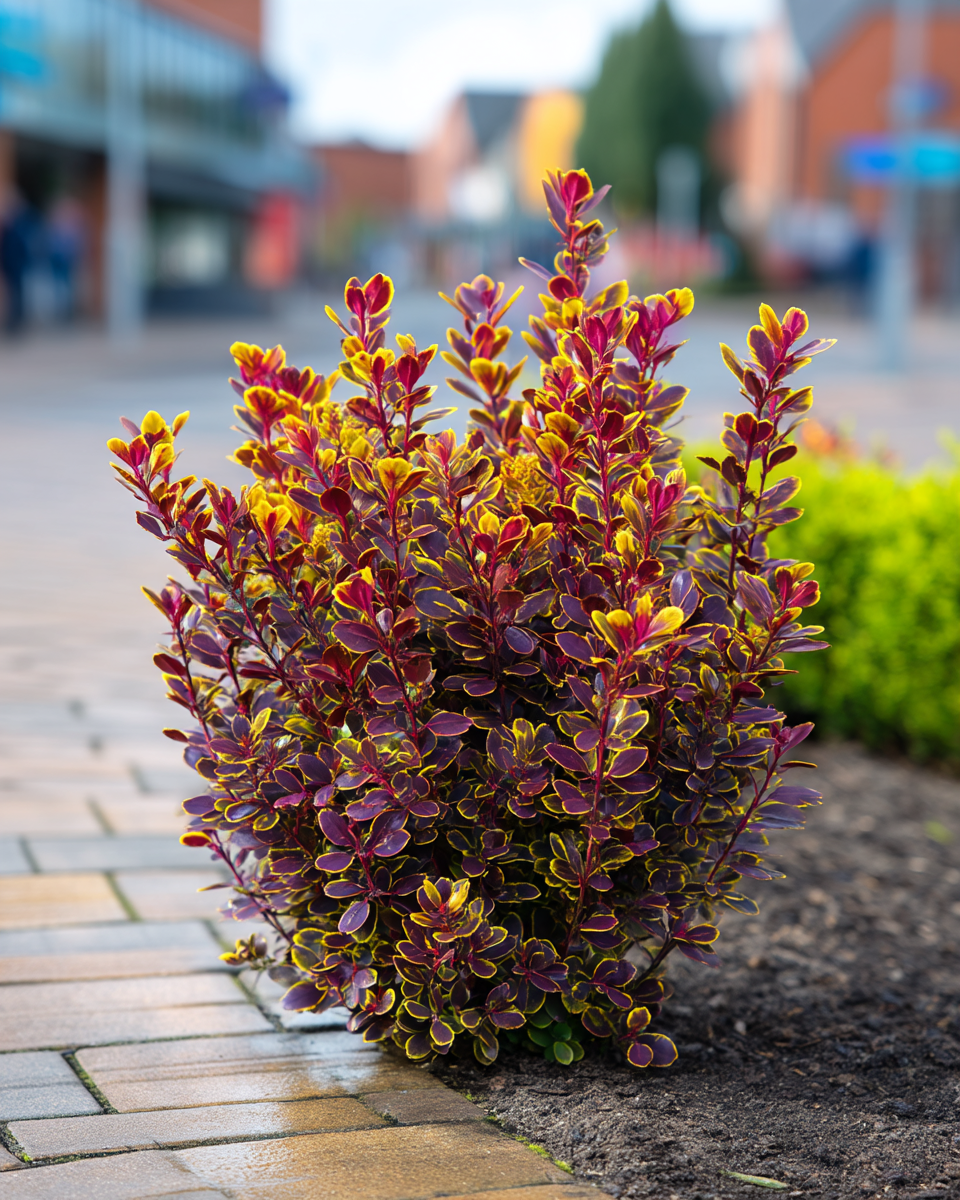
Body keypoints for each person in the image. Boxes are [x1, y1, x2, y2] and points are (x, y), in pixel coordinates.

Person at [46, 196, 85, 321]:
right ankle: (62, 311)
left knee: (67, 286)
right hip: (57, 259)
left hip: (66, 260)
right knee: (59, 286)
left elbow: (76, 246)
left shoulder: (71, 229)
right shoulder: (56, 228)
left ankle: (68, 311)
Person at [0, 192, 32, 334]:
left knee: (18, 293)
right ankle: (14, 319)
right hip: (9, 265)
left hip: (16, 265)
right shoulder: (8, 229)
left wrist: (23, 262)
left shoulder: (18, 227)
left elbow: (23, 247)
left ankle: (17, 320)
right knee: (14, 293)